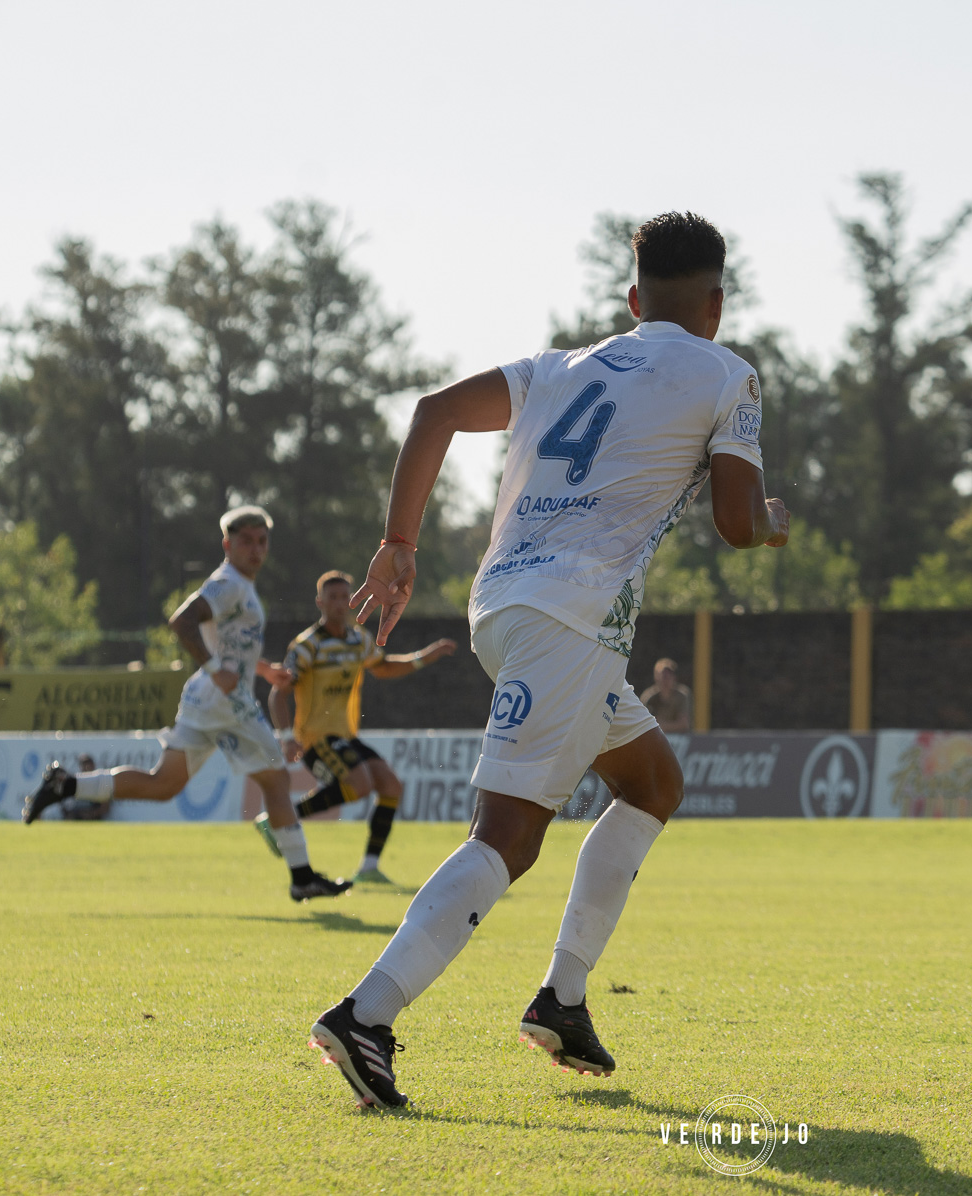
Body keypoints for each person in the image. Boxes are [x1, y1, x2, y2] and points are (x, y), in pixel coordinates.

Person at [306, 211, 788, 1109]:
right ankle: (365, 1016)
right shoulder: (728, 373)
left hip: (508, 607)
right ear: (717, 303)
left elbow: (435, 412)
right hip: (570, 618)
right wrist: (772, 524)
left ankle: (563, 999)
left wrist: (399, 542)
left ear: (632, 298)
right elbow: (735, 522)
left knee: (651, 784)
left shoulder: (560, 367)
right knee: (507, 837)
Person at [19, 507, 352, 903]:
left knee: (164, 785)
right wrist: (216, 669)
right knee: (276, 780)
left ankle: (66, 784)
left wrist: (259, 670)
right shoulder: (229, 582)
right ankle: (302, 877)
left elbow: (226, 641)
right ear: (227, 544)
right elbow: (182, 622)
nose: (255, 549)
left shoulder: (238, 585)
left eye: (262, 541)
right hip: (227, 703)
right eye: (246, 540)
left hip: (204, 699)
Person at [253, 569, 458, 887]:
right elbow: (279, 691)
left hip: (346, 737)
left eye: (345, 597)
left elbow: (384, 667)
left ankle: (369, 867)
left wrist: (423, 657)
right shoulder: (307, 645)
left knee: (391, 786)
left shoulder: (357, 639)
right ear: (319, 602)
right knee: (359, 784)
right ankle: (280, 820)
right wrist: (288, 737)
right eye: (332, 597)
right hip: (315, 739)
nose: (339, 603)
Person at [638, 657, 692, 734]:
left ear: (674, 677)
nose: (665, 680)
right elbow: (641, 724)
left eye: (668, 676)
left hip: (678, 739)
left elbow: (684, 725)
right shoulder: (649, 697)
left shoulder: (681, 696)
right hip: (654, 737)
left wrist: (660, 725)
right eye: (662, 676)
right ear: (656, 678)